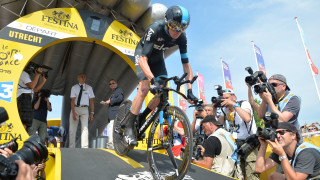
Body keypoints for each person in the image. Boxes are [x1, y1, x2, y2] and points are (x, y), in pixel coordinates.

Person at [122, 5, 198, 146]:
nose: (178, 31)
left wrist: (189, 90)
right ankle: (128, 127)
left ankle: (142, 117)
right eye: (174, 25)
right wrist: (152, 80)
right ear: (167, 21)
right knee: (144, 88)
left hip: (157, 59)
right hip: (143, 55)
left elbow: (186, 65)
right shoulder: (155, 28)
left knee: (163, 93)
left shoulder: (182, 38)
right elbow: (143, 59)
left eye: (182, 27)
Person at [255, 122, 320, 179]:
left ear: (293, 135)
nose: (278, 136)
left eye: (281, 132)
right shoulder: (283, 150)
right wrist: (263, 145)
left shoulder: (306, 152)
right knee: (273, 176)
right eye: (276, 133)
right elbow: (259, 169)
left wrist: (282, 155)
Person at [17, 63, 46, 131]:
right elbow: (32, 86)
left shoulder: (26, 75)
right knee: (25, 120)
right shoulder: (23, 73)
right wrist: (37, 75)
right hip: (23, 98)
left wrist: (43, 81)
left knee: (27, 121)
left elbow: (35, 89)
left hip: (26, 98)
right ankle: (21, 137)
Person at [68, 73, 95, 148]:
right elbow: (72, 100)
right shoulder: (74, 87)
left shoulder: (89, 88)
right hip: (75, 108)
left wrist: (92, 113)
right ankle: (71, 147)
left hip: (85, 109)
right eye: (81, 77)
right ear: (78, 78)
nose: (83, 78)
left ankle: (85, 147)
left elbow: (91, 101)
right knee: (72, 129)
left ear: (85, 79)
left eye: (84, 77)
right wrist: (73, 113)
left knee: (85, 128)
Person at [102, 79, 124, 149]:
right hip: (112, 113)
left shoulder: (119, 90)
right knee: (113, 128)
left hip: (116, 113)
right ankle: (113, 143)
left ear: (116, 84)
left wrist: (110, 101)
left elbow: (120, 98)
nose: (111, 85)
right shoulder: (114, 92)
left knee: (112, 128)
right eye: (110, 84)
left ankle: (111, 144)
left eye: (113, 83)